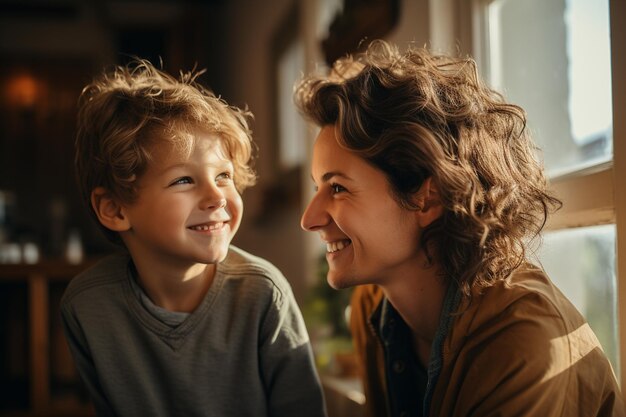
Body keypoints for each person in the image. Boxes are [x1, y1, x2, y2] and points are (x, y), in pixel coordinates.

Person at [296, 40, 624, 417]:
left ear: (426, 198)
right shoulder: (372, 306)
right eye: (317, 187)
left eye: (337, 188)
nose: (310, 218)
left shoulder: (524, 344)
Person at [61, 59, 327, 417]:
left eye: (223, 176)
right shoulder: (87, 306)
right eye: (184, 180)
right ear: (114, 209)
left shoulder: (264, 294)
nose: (217, 196)